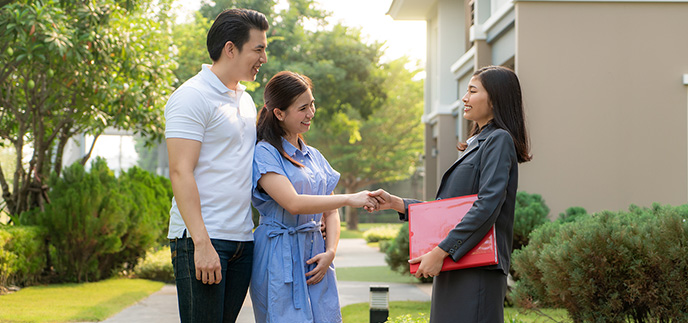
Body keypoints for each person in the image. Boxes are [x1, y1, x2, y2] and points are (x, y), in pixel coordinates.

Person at [369, 65, 531, 323]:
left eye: (472, 90)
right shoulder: (477, 142)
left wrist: (441, 251)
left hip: (476, 268)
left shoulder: (499, 140)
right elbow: (447, 212)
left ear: (495, 99)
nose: (465, 98)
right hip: (457, 263)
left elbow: (487, 206)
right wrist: (396, 203)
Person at [164, 8, 268, 323]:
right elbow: (180, 171)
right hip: (204, 238)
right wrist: (202, 242)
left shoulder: (246, 101)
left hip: (241, 239)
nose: (264, 57)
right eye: (258, 49)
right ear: (230, 48)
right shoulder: (192, 96)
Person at [250, 71, 377, 323]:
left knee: (326, 316)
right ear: (279, 113)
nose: (311, 113)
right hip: (278, 254)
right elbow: (293, 203)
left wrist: (330, 251)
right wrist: (350, 198)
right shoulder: (265, 153)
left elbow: (330, 211)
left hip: (316, 255)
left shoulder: (314, 156)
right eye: (303, 108)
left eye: (312, 104)